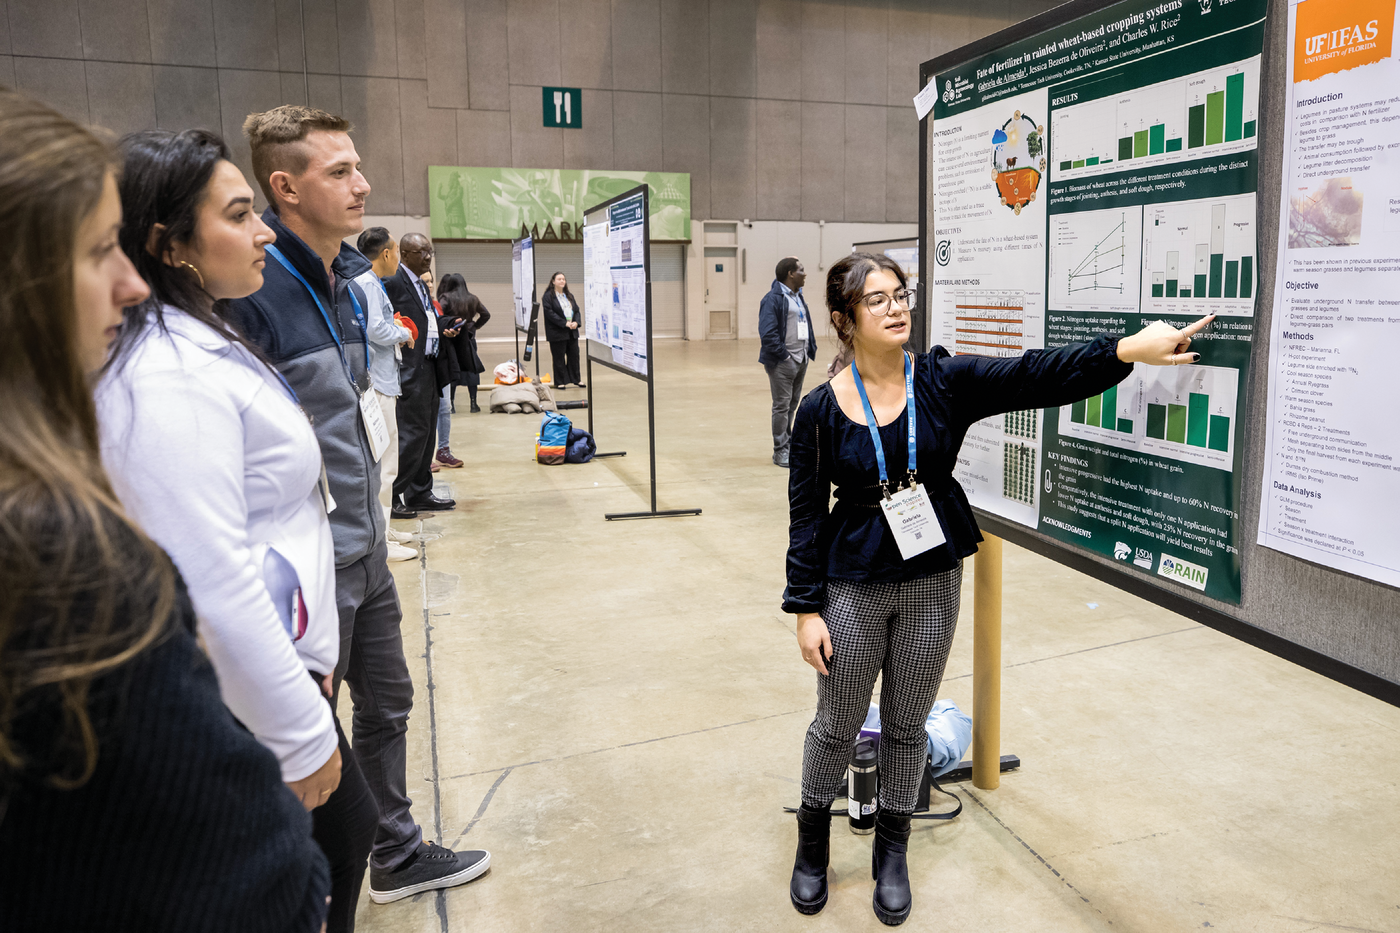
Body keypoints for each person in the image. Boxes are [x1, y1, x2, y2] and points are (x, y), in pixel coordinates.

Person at [783, 252, 1212, 924]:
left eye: (901, 294)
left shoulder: (943, 382)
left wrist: (1126, 350)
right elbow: (806, 516)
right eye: (877, 300)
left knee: (907, 723)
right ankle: (812, 843)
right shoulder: (818, 411)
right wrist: (806, 609)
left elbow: (1033, 374)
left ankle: (892, 851)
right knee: (838, 722)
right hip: (854, 580)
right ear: (844, 319)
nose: (897, 308)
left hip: (932, 576)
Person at [0, 89, 330, 932]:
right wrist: (300, 730)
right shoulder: (62, 554)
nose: (127, 286)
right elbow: (249, 875)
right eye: (96, 252)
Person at [97, 129, 383, 933]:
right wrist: (298, 728)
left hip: (281, 671)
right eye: (237, 215)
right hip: (253, 695)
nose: (262, 231)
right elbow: (208, 577)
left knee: (338, 844)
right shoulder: (166, 372)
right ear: (171, 245)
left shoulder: (203, 332)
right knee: (313, 862)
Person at [223, 105, 488, 907]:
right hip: (307, 566)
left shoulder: (344, 280)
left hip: (364, 547)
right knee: (300, 735)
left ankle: (394, 849)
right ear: (285, 186)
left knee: (389, 701)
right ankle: (297, 887)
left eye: (358, 166)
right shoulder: (252, 291)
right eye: (339, 171)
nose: (362, 183)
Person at [354, 225, 418, 560]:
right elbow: (375, 329)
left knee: (386, 462)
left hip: (383, 381)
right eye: (397, 253)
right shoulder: (367, 282)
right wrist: (403, 332)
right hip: (378, 385)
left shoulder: (370, 282)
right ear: (387, 253)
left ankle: (385, 526)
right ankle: (381, 541)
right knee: (385, 463)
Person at [384, 233, 458, 510]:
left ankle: (420, 492)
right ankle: (392, 495)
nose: (428, 257)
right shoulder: (393, 281)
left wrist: (444, 328)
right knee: (412, 434)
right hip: (410, 369)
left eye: (430, 251)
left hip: (430, 366)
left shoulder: (421, 285)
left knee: (427, 435)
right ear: (404, 254)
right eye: (421, 252)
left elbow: (426, 320)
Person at [759, 257, 817, 467]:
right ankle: (779, 450)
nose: (805, 274)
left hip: (801, 358)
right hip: (783, 362)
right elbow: (768, 333)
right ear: (791, 274)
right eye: (801, 270)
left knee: (792, 404)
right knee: (781, 406)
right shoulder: (773, 299)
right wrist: (784, 356)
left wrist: (807, 351)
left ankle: (788, 443)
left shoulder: (798, 296)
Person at [421, 268, 465, 470]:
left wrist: (449, 329)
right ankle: (424, 456)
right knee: (426, 410)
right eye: (425, 282)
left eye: (431, 281)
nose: (430, 285)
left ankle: (443, 450)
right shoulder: (411, 304)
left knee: (445, 407)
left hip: (440, 363)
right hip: (423, 364)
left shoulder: (436, 305)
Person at [438, 273, 491, 414]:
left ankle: (452, 404)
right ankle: (473, 404)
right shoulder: (473, 298)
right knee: (471, 369)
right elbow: (486, 314)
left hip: (452, 338)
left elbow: (439, 314)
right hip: (468, 339)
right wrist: (474, 326)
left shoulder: (445, 298)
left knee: (453, 368)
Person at [541, 271, 583, 388]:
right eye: (559, 279)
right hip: (557, 332)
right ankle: (560, 382)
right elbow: (549, 313)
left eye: (563, 279)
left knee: (574, 356)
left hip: (572, 331)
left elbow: (577, 310)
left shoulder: (569, 295)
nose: (562, 281)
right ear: (553, 281)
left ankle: (576, 379)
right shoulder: (548, 296)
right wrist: (564, 323)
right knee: (559, 358)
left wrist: (576, 322)